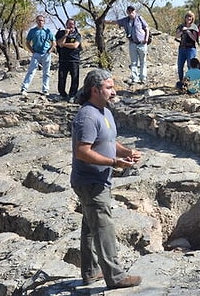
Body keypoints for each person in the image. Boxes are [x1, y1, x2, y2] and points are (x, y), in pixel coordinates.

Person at [71, 69, 142, 289]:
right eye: (109, 88)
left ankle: (91, 272)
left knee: (90, 226)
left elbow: (110, 141)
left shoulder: (104, 111)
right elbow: (82, 151)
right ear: (95, 90)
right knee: (103, 228)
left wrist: (125, 152)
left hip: (98, 180)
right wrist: (113, 163)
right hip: (90, 182)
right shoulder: (87, 116)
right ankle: (116, 277)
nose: (113, 92)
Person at [106, 6, 150, 84]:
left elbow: (146, 28)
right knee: (133, 62)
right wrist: (104, 21)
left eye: (132, 11)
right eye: (129, 11)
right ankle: (135, 78)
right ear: (127, 12)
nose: (131, 13)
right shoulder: (125, 20)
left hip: (141, 43)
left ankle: (143, 77)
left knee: (143, 61)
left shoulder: (139, 18)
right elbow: (115, 22)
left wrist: (146, 39)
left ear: (135, 11)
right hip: (132, 43)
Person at [20, 15, 55, 96]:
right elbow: (27, 42)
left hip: (46, 54)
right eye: (39, 20)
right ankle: (24, 88)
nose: (40, 22)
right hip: (36, 54)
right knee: (31, 71)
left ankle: (45, 90)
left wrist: (50, 50)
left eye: (42, 20)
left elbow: (54, 42)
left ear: (44, 22)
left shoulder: (48, 31)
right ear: (36, 21)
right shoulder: (32, 31)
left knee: (46, 73)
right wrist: (32, 51)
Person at [56, 18, 82, 103]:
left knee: (75, 78)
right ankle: (62, 94)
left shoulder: (77, 35)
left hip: (74, 60)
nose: (71, 25)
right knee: (62, 78)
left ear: (74, 25)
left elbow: (75, 45)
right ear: (66, 24)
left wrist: (64, 44)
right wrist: (65, 35)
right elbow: (59, 44)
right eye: (69, 24)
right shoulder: (60, 33)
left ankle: (72, 95)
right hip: (63, 60)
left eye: (72, 24)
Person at [175, 11, 199, 88]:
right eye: (187, 17)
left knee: (190, 66)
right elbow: (177, 36)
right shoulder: (181, 26)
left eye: (190, 17)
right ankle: (181, 82)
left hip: (191, 49)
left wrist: (188, 31)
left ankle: (191, 82)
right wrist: (182, 31)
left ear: (192, 18)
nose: (189, 18)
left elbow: (194, 38)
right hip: (182, 48)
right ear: (185, 18)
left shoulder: (194, 27)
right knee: (180, 66)